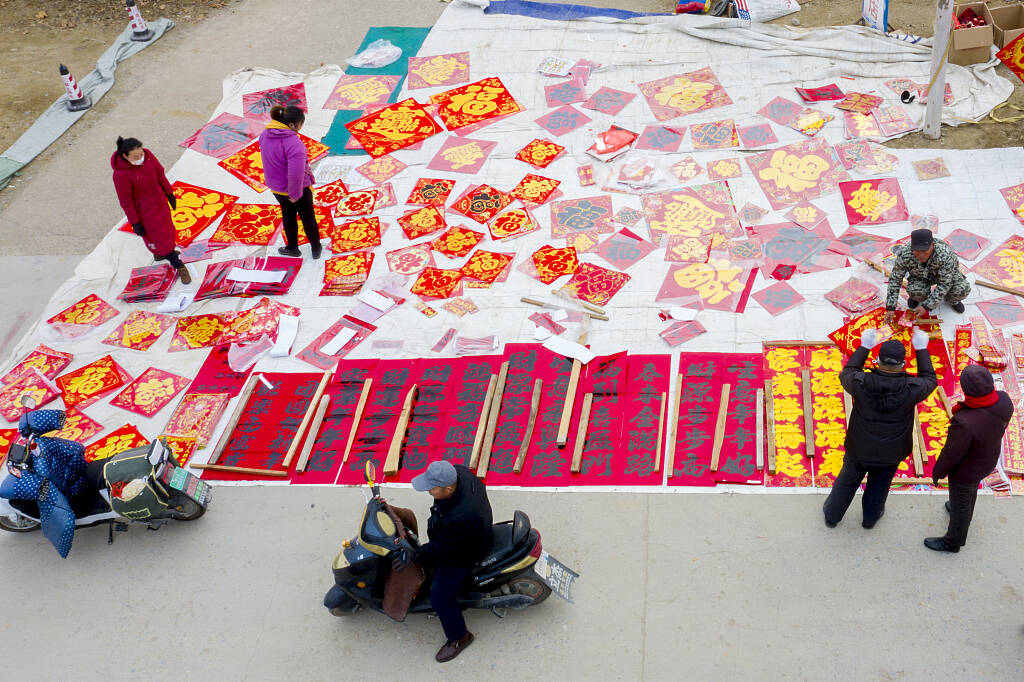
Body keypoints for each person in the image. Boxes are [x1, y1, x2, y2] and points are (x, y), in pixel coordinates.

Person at [823, 328, 937, 529]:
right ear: (903, 364)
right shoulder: (913, 388)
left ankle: (832, 516)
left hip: (859, 447)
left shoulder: (860, 382)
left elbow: (847, 373)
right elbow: (930, 380)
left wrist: (864, 346)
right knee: (879, 486)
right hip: (892, 452)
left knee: (847, 481)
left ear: (877, 360)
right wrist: (921, 350)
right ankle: (870, 519)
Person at [399, 460, 493, 663]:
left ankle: (460, 637)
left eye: (431, 488)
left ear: (448, 489)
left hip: (466, 550)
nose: (428, 491)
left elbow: (441, 548)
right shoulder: (459, 472)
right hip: (471, 529)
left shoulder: (460, 516)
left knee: (440, 598)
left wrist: (415, 555)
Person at [925, 365, 1014, 552]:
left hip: (966, 470)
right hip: (988, 459)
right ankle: (964, 512)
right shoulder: (1004, 401)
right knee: (970, 492)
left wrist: (938, 472)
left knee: (962, 503)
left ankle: (952, 542)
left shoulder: (965, 422)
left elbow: (951, 453)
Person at [110, 137, 191, 284]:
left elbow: (160, 175)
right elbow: (126, 202)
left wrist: (169, 193)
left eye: (141, 154)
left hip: (159, 202)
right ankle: (177, 263)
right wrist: (135, 222)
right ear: (125, 156)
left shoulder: (148, 156)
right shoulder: (120, 175)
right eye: (136, 157)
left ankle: (160, 253)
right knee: (157, 236)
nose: (140, 158)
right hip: (144, 212)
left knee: (167, 229)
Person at [259, 105, 321, 259]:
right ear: (292, 125)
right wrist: (294, 193)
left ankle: (292, 248)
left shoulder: (265, 134)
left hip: (276, 187)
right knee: (308, 217)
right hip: (297, 189)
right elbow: (295, 174)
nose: (300, 128)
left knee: (288, 215)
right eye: (300, 124)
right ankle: (316, 248)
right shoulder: (294, 144)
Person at [883, 228, 970, 326]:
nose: (921, 256)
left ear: (932, 245)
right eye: (917, 251)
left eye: (925, 251)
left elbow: (945, 283)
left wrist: (927, 306)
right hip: (920, 276)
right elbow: (895, 279)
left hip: (943, 276)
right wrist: (891, 307)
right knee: (916, 291)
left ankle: (953, 301)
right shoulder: (905, 254)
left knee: (962, 289)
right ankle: (915, 298)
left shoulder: (944, 254)